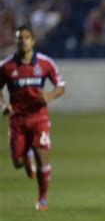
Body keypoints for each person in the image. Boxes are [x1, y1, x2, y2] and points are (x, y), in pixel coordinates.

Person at [0, 25, 66, 211]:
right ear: (16, 41)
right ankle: (25, 157)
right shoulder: (6, 66)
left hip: (39, 118)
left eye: (27, 37)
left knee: (42, 156)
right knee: (17, 163)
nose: (23, 41)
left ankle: (42, 199)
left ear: (33, 41)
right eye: (19, 38)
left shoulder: (45, 63)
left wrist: (50, 96)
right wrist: (3, 105)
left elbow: (61, 85)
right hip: (17, 120)